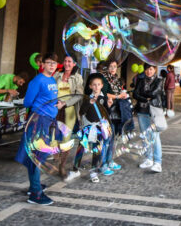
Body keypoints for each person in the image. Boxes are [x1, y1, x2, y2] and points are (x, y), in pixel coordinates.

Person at [14, 52, 65, 205]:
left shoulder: (51, 80)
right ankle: (35, 194)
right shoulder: (38, 80)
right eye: (48, 62)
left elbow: (49, 99)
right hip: (38, 121)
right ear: (42, 64)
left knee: (38, 156)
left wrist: (58, 104)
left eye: (54, 63)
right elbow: (27, 102)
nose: (52, 65)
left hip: (48, 120)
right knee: (37, 156)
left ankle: (34, 186)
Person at [67, 73, 112, 183]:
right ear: (90, 86)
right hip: (87, 127)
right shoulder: (87, 98)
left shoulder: (104, 97)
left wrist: (109, 106)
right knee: (81, 148)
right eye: (94, 85)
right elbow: (81, 111)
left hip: (98, 128)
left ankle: (94, 171)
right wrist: (89, 103)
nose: (96, 87)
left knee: (97, 150)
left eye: (98, 85)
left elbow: (106, 113)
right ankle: (75, 170)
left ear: (102, 86)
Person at [53, 55, 84, 178]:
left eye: (69, 61)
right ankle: (56, 155)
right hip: (55, 108)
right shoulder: (57, 75)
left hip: (69, 110)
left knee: (66, 138)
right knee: (52, 135)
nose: (67, 63)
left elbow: (79, 95)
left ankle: (62, 165)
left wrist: (65, 103)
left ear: (74, 64)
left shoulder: (77, 78)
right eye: (65, 61)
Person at [133, 63, 164, 173]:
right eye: (147, 69)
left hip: (154, 112)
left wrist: (142, 94)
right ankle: (148, 159)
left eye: (151, 69)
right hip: (142, 111)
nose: (148, 71)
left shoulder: (159, 81)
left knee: (155, 137)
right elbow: (135, 94)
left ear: (154, 69)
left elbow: (154, 93)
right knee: (145, 135)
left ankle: (157, 162)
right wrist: (146, 97)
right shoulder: (140, 81)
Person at [100, 59, 130, 173]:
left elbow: (118, 92)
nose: (113, 69)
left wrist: (123, 95)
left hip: (117, 111)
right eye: (111, 66)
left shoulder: (116, 79)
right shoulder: (103, 78)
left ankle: (110, 161)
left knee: (113, 139)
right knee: (107, 139)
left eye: (115, 66)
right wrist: (117, 97)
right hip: (107, 111)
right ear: (107, 67)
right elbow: (104, 93)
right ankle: (103, 165)